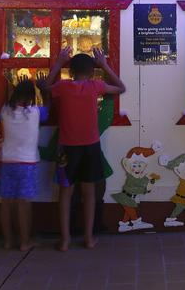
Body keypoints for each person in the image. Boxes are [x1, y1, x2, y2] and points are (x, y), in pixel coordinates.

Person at [43, 46, 126, 251]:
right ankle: (88, 238)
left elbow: (45, 88)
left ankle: (65, 240)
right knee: (89, 193)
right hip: (90, 147)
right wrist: (104, 64)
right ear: (92, 72)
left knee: (65, 193)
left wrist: (59, 62)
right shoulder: (95, 86)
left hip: (66, 149)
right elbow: (121, 87)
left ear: (70, 72)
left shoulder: (62, 86)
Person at [0, 78, 48, 251]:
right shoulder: (35, 112)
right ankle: (25, 242)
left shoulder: (4, 111)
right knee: (23, 204)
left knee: (6, 203)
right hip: (27, 164)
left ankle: (8, 241)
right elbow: (49, 109)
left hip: (6, 162)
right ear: (31, 96)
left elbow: (7, 103)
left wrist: (11, 87)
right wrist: (43, 89)